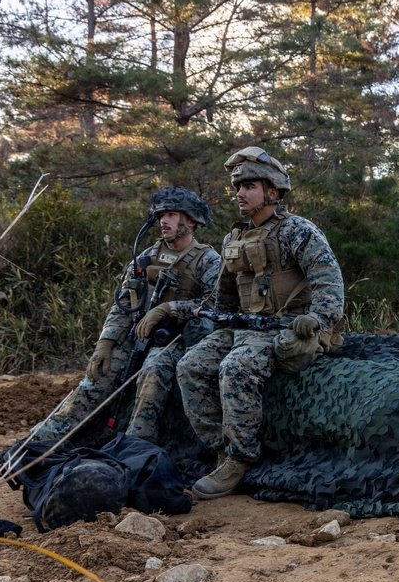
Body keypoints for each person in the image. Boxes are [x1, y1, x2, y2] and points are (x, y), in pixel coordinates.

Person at [177, 146, 345, 500]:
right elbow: (224, 293)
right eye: (238, 186)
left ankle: (241, 459)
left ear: (272, 191)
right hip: (242, 327)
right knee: (190, 366)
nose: (239, 193)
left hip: (281, 327)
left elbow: (328, 279)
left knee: (235, 368)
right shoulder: (233, 239)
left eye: (248, 185)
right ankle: (221, 449)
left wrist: (318, 317)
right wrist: (202, 319)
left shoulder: (297, 230)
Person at [33, 187, 221, 444]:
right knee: (96, 376)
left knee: (153, 371)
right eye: (161, 215)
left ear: (191, 220)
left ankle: (134, 447)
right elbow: (123, 303)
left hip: (176, 340)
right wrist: (106, 343)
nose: (163, 220)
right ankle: (41, 442)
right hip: (135, 336)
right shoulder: (146, 257)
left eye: (172, 214)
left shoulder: (208, 260)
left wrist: (169, 309)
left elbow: (215, 305)